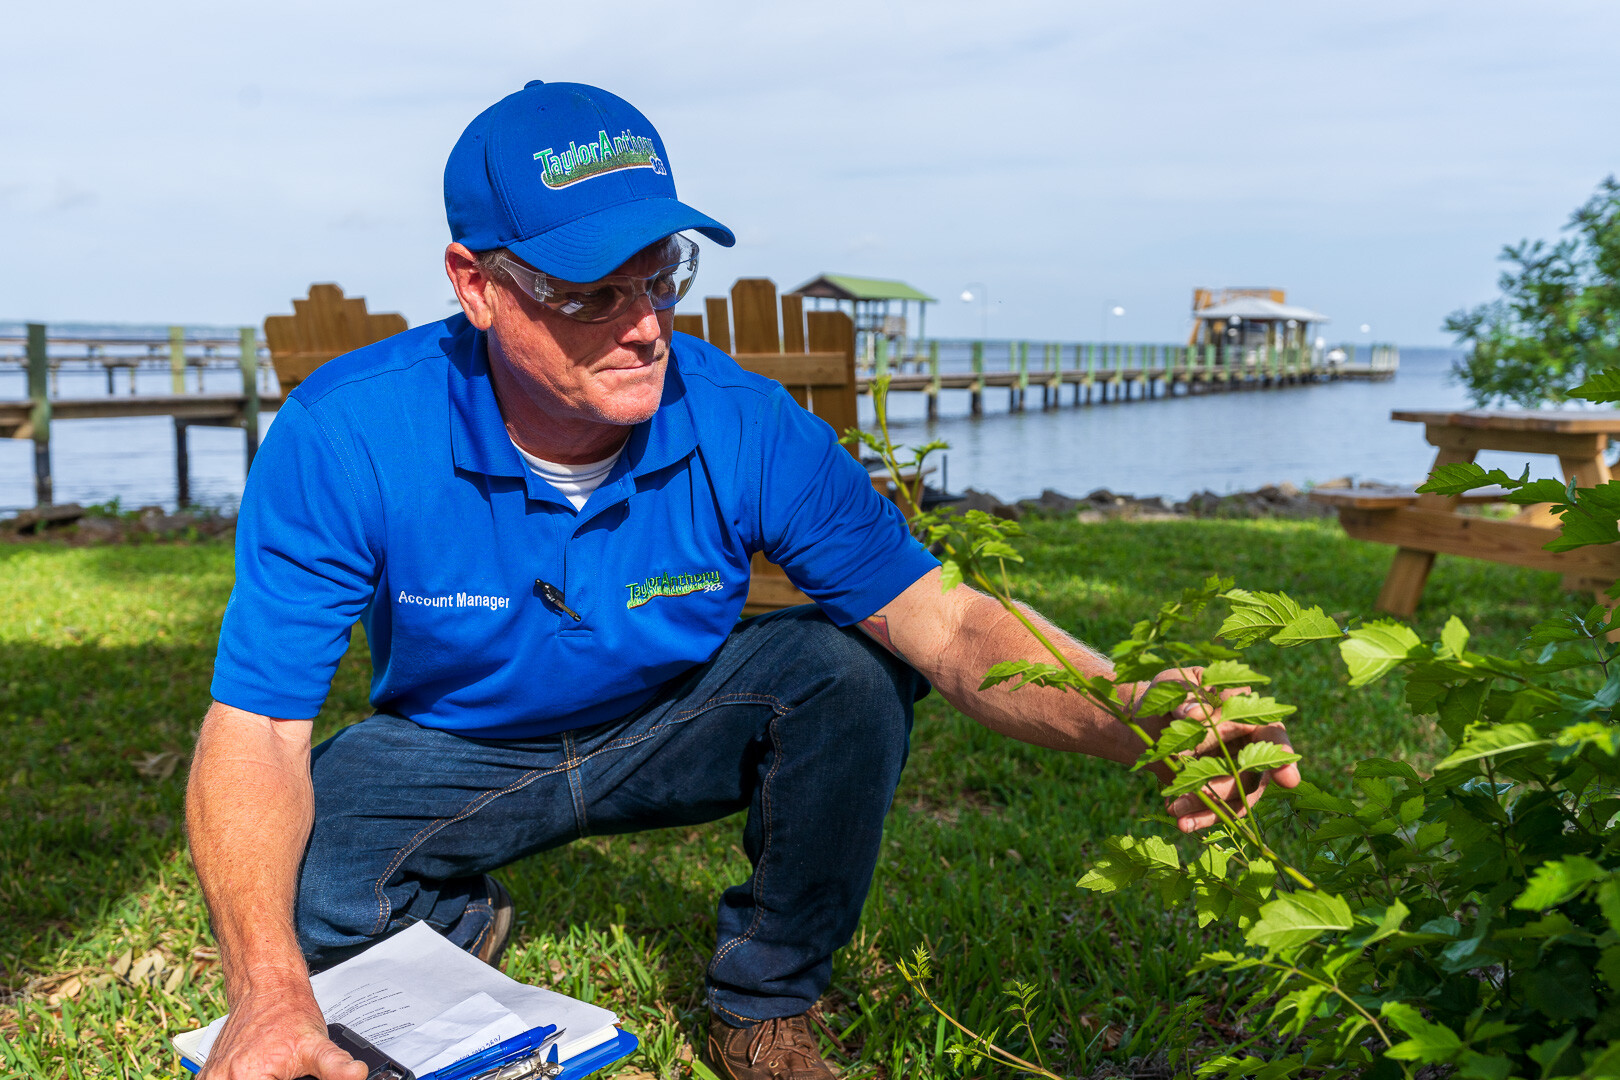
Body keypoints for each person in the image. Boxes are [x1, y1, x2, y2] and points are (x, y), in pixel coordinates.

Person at [186, 80, 1301, 1080]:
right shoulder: (348, 431)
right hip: (457, 742)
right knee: (300, 894)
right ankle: (457, 946)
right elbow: (258, 731)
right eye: (588, 293)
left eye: (662, 275)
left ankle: (765, 1011)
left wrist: (1140, 712)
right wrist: (266, 999)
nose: (643, 328)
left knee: (845, 670)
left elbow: (952, 628)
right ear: (476, 285)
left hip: (676, 716)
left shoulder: (748, 423)